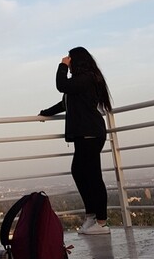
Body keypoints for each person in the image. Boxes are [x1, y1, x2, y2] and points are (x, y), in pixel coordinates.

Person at [39, 46, 112, 235]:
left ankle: (101, 222)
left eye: (70, 59)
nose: (68, 61)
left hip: (90, 134)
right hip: (84, 134)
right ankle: (92, 216)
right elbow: (65, 102)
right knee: (80, 172)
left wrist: (62, 65)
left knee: (93, 176)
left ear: (76, 60)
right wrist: (45, 113)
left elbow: (61, 86)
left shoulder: (87, 78)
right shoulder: (81, 82)